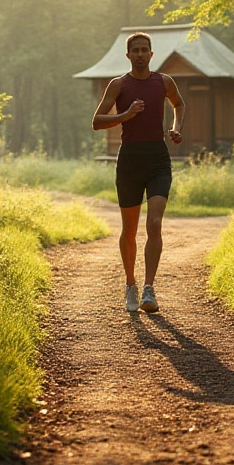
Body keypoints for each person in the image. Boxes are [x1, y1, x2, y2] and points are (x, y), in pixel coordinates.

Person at [92, 32, 185, 313]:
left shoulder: (164, 82)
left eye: (145, 50)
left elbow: (179, 104)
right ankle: (130, 284)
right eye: (136, 50)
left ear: (152, 54)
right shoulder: (119, 85)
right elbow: (97, 121)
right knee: (129, 229)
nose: (141, 54)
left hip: (158, 158)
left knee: (154, 223)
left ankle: (149, 289)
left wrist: (176, 128)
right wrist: (125, 115)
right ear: (128, 55)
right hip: (130, 159)